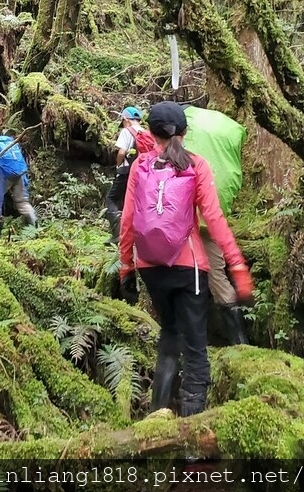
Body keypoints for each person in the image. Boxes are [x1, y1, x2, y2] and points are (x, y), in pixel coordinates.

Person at [119, 101, 253, 417]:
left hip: (150, 267)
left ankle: (156, 418)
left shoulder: (140, 166)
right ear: (185, 133)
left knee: (169, 338)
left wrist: (126, 266)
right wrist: (237, 266)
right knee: (195, 350)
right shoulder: (196, 165)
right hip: (189, 267)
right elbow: (215, 220)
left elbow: (127, 220)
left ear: (150, 133)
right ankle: (192, 437)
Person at [183, 105, 249, 345]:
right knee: (217, 276)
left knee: (181, 274)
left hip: (182, 220)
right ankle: (239, 342)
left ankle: (189, 340)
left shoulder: (182, 134)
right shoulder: (228, 137)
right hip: (211, 219)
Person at [105, 106, 156, 242]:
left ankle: (118, 234)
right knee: (134, 201)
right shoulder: (147, 133)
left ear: (126, 119)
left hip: (127, 171)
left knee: (111, 199)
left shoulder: (127, 131)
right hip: (143, 173)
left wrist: (118, 165)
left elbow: (122, 152)